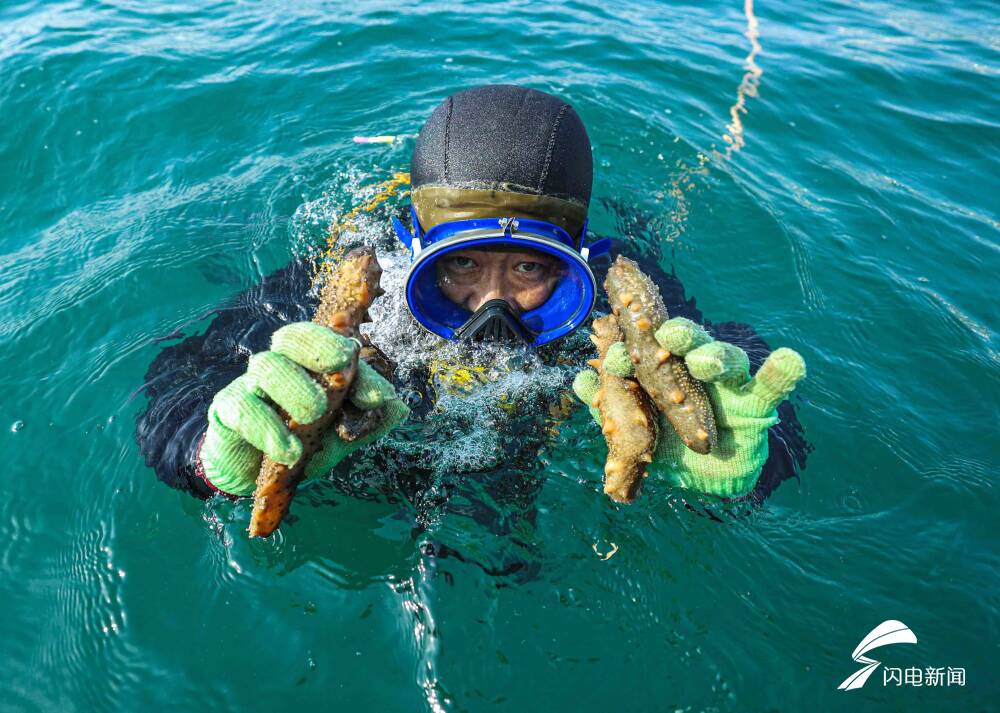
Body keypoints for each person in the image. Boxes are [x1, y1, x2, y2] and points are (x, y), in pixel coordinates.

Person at [137, 84, 807, 521]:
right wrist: (211, 455)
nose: (491, 307)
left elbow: (738, 369)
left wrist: (749, 457)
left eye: (526, 267)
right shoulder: (359, 278)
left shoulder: (614, 291)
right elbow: (178, 377)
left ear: (578, 263)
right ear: (415, 251)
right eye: (458, 264)